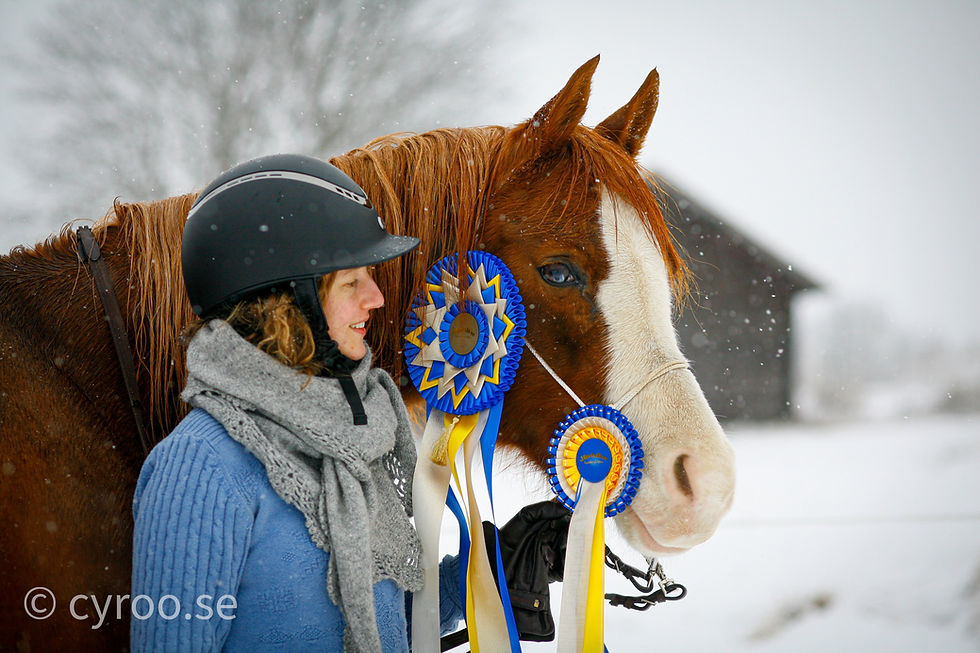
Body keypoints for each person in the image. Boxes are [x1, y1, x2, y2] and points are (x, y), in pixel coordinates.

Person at [130, 154, 463, 652]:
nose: (376, 298)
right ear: (286, 303)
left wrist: (484, 581)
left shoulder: (355, 442)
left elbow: (369, 629)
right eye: (351, 282)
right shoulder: (202, 465)